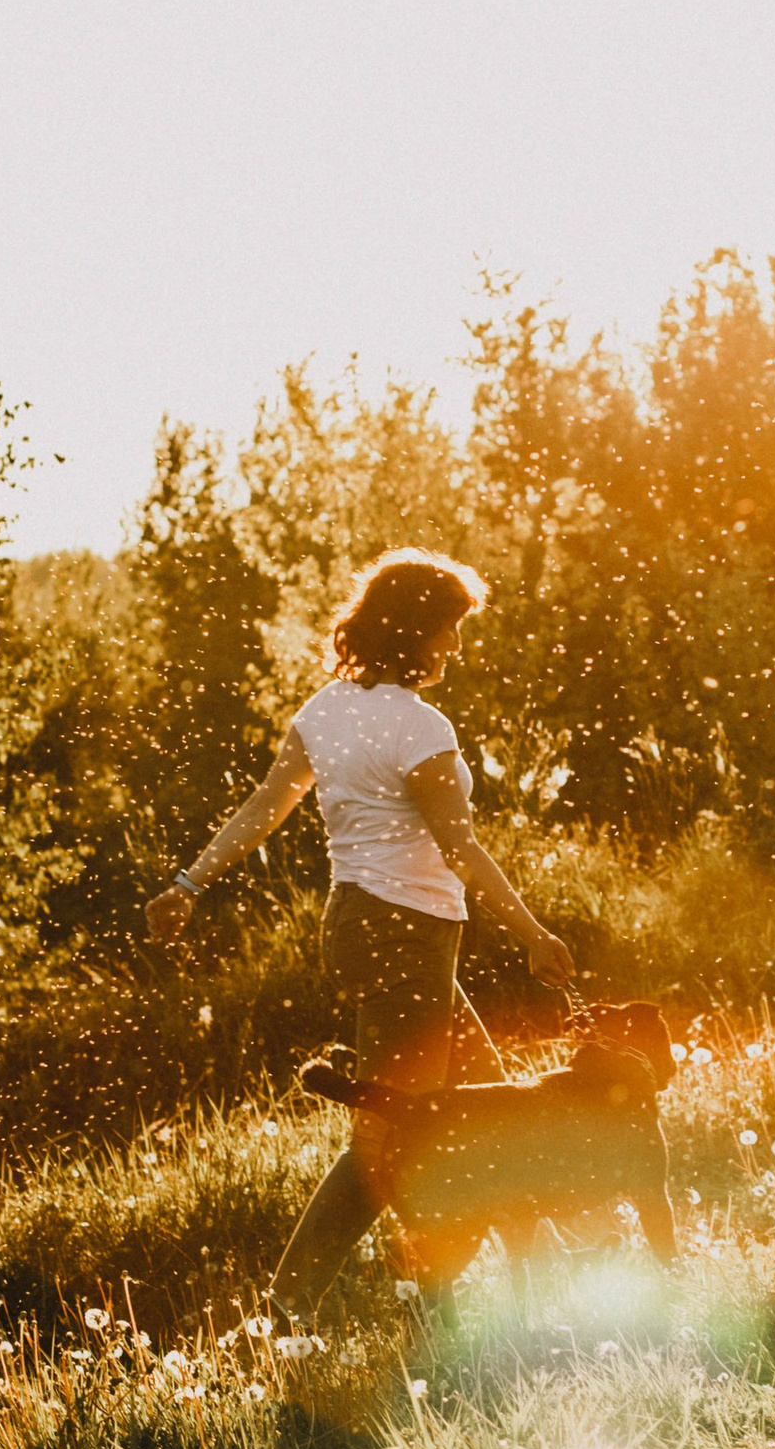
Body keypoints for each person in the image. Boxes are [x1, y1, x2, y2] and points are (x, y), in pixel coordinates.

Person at [146, 548, 575, 1310]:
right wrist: (534, 934)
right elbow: (460, 848)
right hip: (409, 933)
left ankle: (542, 1287)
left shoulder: (323, 711)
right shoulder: (419, 726)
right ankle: (286, 1311)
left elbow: (264, 808)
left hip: (356, 924)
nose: (457, 647)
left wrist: (190, 881)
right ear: (415, 629)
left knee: (492, 1104)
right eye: (449, 630)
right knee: (384, 1136)